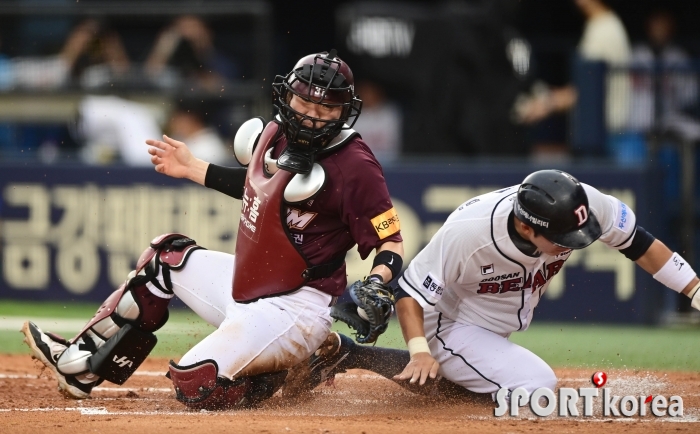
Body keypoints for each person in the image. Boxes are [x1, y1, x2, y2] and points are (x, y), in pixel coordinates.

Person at [21, 50, 404, 410]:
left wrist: (377, 281)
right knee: (165, 257)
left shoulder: (356, 165)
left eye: (326, 107)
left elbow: (391, 239)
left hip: (297, 308)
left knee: (195, 384)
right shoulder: (274, 133)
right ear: (285, 97)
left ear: (345, 111)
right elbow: (261, 187)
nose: (312, 115)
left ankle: (299, 362)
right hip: (248, 283)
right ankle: (80, 364)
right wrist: (193, 168)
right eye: (304, 102)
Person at [294, 169, 700, 401]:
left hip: (492, 321)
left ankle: (348, 355)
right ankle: (359, 356)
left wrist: (695, 290)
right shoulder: (470, 233)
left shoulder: (581, 205)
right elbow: (410, 294)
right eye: (561, 239)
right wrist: (419, 350)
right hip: (448, 322)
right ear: (526, 225)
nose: (570, 245)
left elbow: (640, 245)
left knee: (482, 376)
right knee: (534, 387)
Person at [515, 0, 631, 160]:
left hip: (606, 137)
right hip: (607, 133)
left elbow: (586, 90)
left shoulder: (604, 29)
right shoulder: (604, 24)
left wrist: (546, 104)